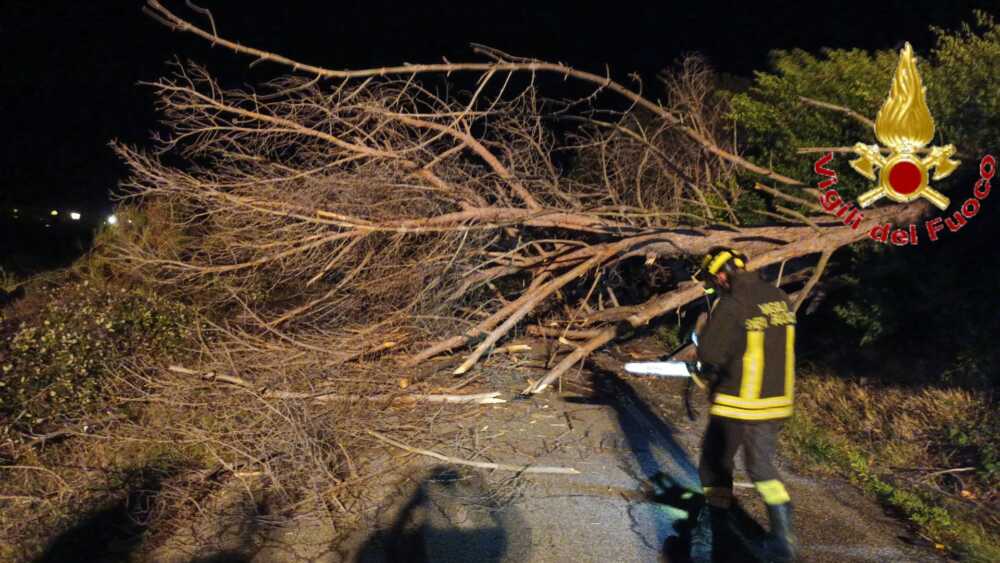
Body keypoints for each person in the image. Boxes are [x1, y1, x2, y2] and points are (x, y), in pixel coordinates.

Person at [689, 247, 797, 563]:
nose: (714, 285)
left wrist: (702, 366)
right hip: (776, 399)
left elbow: (710, 353)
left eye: (713, 280)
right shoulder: (779, 297)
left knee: (714, 463)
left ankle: (713, 531)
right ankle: (782, 536)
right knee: (760, 465)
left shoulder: (732, 302)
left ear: (721, 276)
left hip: (738, 401)